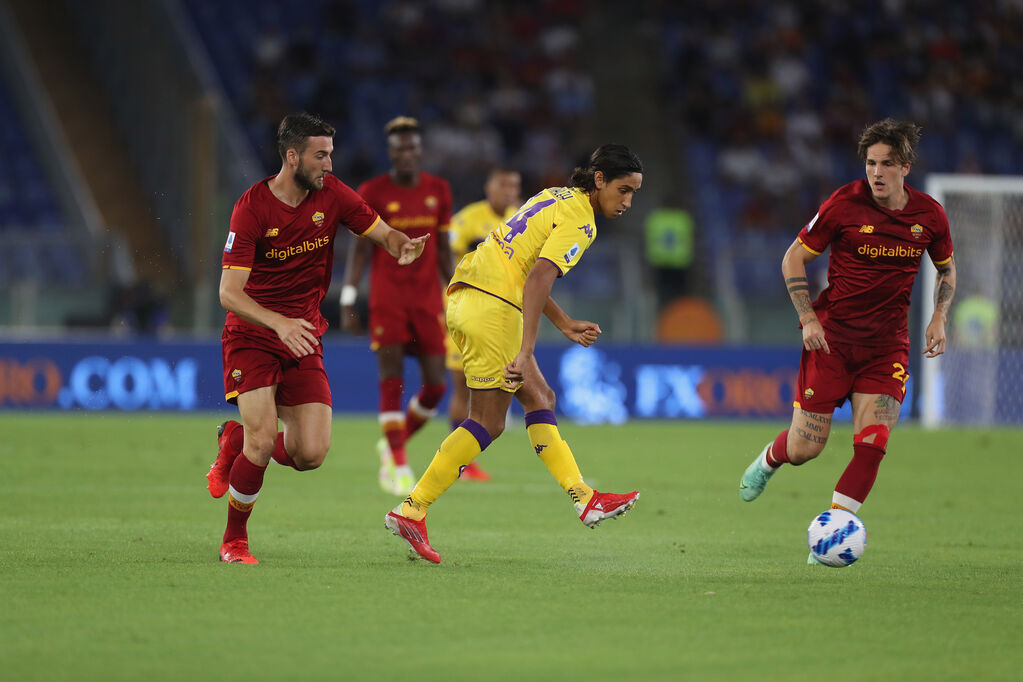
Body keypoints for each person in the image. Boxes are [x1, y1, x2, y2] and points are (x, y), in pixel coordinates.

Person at [384, 144, 644, 563]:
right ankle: (412, 508)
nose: (628, 201)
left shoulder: (553, 196)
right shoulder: (582, 221)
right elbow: (540, 276)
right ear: (599, 181)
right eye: (624, 189)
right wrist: (525, 351)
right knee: (487, 420)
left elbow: (525, 271)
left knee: (540, 399)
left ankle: (584, 498)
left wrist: (562, 322)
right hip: (495, 309)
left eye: (634, 193)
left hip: (468, 296)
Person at [206, 112, 428, 565]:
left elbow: (380, 231)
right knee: (264, 439)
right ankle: (235, 541)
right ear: (292, 157)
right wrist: (278, 322)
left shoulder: (333, 194)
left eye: (331, 154)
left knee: (310, 453)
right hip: (252, 334)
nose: (329, 164)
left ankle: (233, 443)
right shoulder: (252, 208)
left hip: (303, 334)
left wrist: (399, 244)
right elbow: (229, 293)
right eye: (320, 155)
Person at [737, 119, 957, 563]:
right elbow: (793, 257)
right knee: (806, 449)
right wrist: (808, 320)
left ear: (905, 167)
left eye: (887, 164)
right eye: (871, 163)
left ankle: (830, 540)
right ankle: (770, 459)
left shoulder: (929, 215)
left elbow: (947, 269)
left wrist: (939, 316)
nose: (876, 172)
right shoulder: (844, 204)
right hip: (831, 343)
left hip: (886, 347)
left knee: (873, 443)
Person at [340, 116, 453, 496]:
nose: (407, 153)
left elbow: (444, 253)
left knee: (436, 386)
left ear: (420, 151)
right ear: (390, 152)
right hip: (388, 300)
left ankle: (394, 441)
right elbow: (358, 251)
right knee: (392, 381)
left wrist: (457, 295)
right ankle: (399, 465)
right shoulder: (372, 191)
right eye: (400, 148)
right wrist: (348, 296)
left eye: (413, 147)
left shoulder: (439, 190)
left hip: (427, 302)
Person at [443, 166, 523, 481]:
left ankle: (468, 452)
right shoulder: (467, 220)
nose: (510, 192)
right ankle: (461, 463)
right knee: (463, 388)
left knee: (511, 378)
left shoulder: (522, 219)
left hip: (506, 313)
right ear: (489, 188)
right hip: (469, 311)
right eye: (504, 186)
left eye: (514, 186)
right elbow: (446, 261)